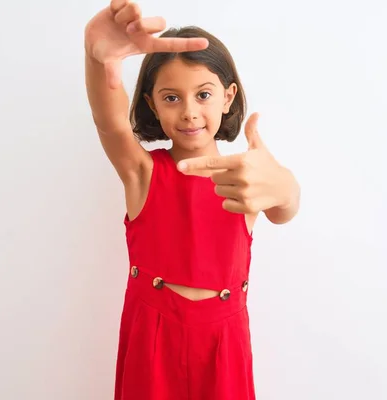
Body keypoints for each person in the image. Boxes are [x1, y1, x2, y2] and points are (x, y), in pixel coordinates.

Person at [84, 1, 301, 398]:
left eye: (203, 94)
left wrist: (287, 187)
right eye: (171, 98)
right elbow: (110, 122)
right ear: (151, 102)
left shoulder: (245, 176)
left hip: (224, 341)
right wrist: (97, 58)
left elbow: (284, 206)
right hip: (152, 337)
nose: (189, 112)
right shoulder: (143, 173)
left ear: (228, 97)